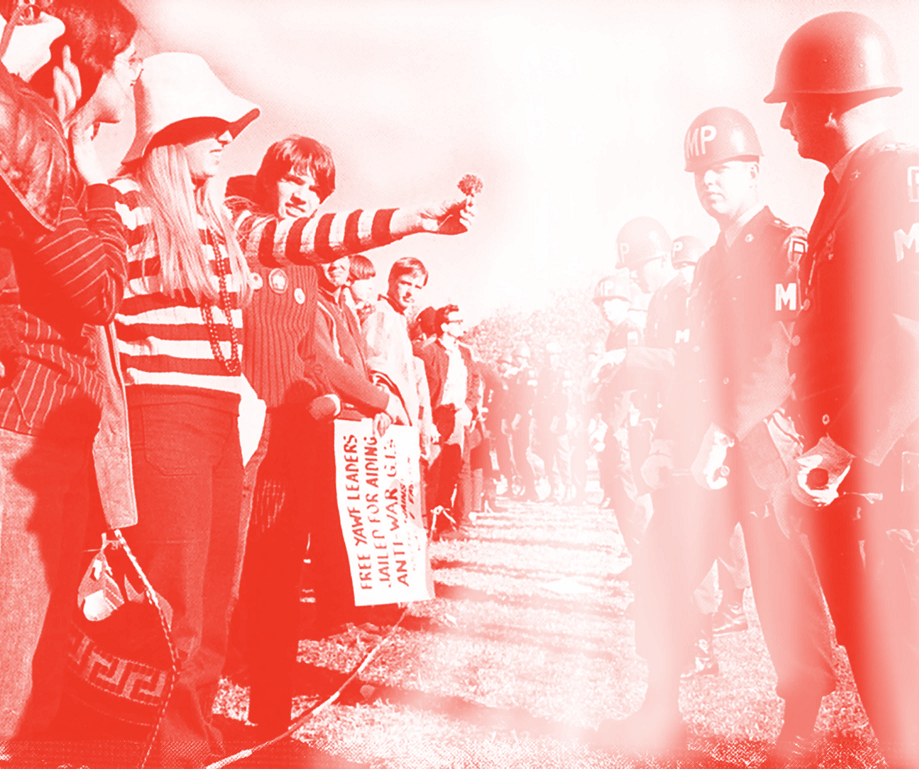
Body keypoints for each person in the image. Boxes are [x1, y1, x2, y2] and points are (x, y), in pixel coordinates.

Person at [600, 107, 837, 764]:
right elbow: (693, 365)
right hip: (704, 451)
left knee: (783, 585)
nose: (710, 183)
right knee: (660, 561)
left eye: (723, 170)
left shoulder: (786, 244)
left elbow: (777, 352)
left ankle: (798, 730)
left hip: (765, 448)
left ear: (754, 172)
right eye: (700, 173)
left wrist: (725, 432)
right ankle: (659, 707)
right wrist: (667, 442)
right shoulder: (704, 267)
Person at [224, 134, 474, 731]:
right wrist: (411, 220)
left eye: (314, 189)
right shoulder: (242, 221)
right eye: (293, 181)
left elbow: (311, 351)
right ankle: (193, 707)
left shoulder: (308, 268)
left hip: (287, 435)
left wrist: (375, 398)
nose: (301, 196)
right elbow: (299, 240)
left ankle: (269, 717)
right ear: (268, 178)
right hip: (237, 432)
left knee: (280, 574)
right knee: (230, 577)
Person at [766, 12, 919, 768]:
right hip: (850, 467)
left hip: (883, 466)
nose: (787, 120)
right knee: (873, 641)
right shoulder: (846, 186)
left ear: (828, 99)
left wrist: (843, 442)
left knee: (897, 641)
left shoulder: (894, 177)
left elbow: (904, 332)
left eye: (791, 103)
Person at [109, 51, 262, 769]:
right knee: (173, 589)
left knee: (213, 586)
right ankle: (160, 741)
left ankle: (189, 734)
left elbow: (308, 235)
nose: (229, 136)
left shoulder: (222, 218)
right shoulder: (126, 203)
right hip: (160, 415)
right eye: (213, 124)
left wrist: (413, 220)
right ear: (175, 128)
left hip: (220, 419)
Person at [0, 0, 138, 746]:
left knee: (34, 659)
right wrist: (104, 187)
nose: (135, 76)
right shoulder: (33, 140)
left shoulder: (40, 138)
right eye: (124, 61)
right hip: (23, 425)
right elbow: (98, 288)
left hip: (47, 424)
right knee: (12, 665)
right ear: (75, 62)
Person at [420, 304, 479, 534]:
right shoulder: (428, 352)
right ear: (445, 326)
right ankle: (425, 526)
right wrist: (427, 422)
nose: (462, 326)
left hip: (458, 417)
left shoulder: (465, 352)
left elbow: (475, 381)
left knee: (453, 470)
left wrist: (469, 406)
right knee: (432, 472)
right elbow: (422, 389)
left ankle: (444, 523)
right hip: (436, 418)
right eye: (457, 322)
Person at [533, 341, 573, 502]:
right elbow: (538, 396)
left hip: (559, 417)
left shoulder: (565, 373)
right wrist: (536, 415)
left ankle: (568, 488)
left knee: (563, 454)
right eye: (548, 355)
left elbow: (567, 397)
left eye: (554, 355)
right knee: (548, 454)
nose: (551, 359)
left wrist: (559, 416)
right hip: (544, 417)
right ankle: (554, 489)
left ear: (559, 356)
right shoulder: (543, 373)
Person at [506, 342, 538, 501]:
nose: (513, 360)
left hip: (524, 418)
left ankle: (532, 490)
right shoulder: (518, 373)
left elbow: (528, 399)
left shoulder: (528, 373)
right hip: (517, 417)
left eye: (516, 357)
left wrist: (518, 417)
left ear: (523, 358)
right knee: (518, 455)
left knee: (524, 454)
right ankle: (527, 488)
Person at [347, 253, 377, 325]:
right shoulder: (342, 312)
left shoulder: (360, 310)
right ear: (348, 280)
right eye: (366, 279)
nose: (371, 286)